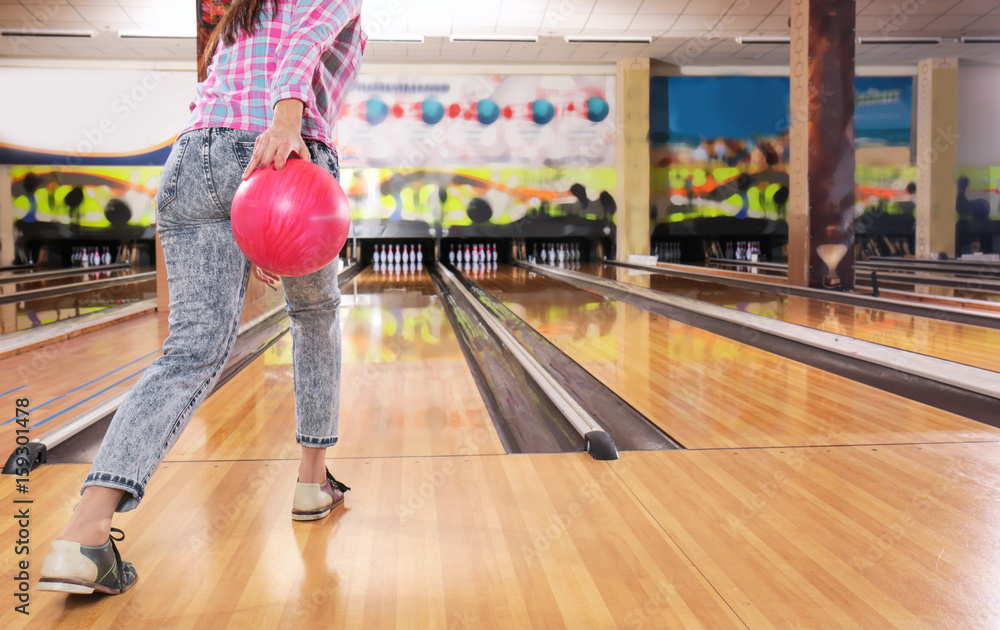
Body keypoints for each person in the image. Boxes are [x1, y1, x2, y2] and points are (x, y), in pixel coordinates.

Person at [38, 0, 365, 596]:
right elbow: (303, 47)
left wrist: (260, 225)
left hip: (193, 161)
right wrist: (288, 128)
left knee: (189, 351)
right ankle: (311, 483)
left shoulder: (241, 10)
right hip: (279, 157)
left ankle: (84, 533)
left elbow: (224, 88)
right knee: (315, 314)